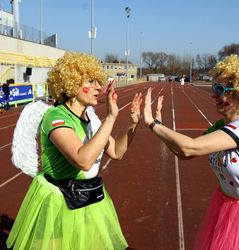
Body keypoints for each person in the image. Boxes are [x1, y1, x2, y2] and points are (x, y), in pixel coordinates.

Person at [143, 55, 239, 249]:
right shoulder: (222, 127)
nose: (214, 95)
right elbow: (185, 154)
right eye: (214, 88)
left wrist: (152, 123)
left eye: (220, 90)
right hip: (230, 207)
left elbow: (190, 146)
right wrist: (161, 128)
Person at [7, 52, 142, 249]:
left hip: (88, 197)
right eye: (91, 81)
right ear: (71, 83)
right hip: (59, 202)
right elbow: (83, 160)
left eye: (99, 81)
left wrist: (133, 124)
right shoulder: (55, 116)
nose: (98, 87)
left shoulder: (92, 119)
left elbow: (116, 153)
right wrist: (112, 118)